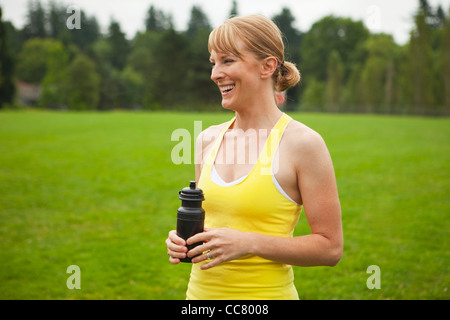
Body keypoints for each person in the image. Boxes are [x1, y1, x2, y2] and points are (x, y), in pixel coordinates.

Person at [166, 14, 343, 300]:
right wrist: (183, 241)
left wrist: (249, 243)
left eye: (227, 61)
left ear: (268, 66)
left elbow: (330, 248)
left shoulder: (304, 144)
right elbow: (210, 225)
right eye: (213, 63)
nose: (215, 74)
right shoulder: (206, 140)